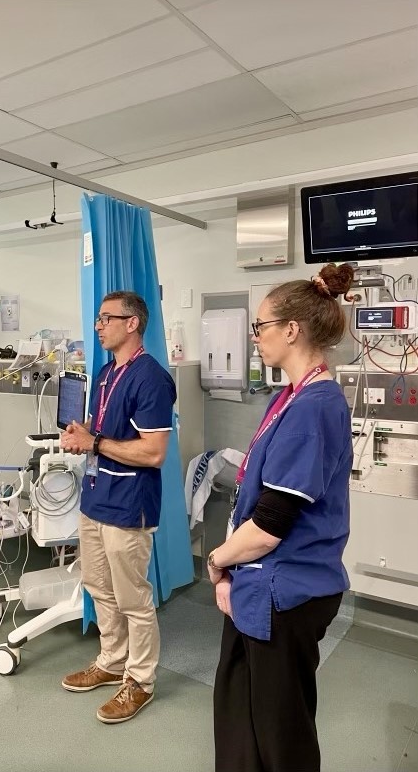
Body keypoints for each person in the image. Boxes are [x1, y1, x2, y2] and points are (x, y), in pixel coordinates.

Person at [208, 263, 355, 772]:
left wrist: (217, 559)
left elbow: (272, 523)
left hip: (286, 590)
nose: (256, 338)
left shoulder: (315, 406)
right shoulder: (288, 397)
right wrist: (232, 565)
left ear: (291, 330)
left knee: (279, 729)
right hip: (259, 583)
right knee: (240, 710)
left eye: (261, 326)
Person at [60, 290, 176, 724]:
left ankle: (140, 681)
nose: (98, 325)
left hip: (129, 505)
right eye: (97, 318)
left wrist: (94, 442)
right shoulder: (107, 374)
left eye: (106, 318)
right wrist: (84, 433)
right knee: (98, 587)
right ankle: (111, 661)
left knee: (133, 598)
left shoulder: (152, 379)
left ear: (132, 323)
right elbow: (107, 434)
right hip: (95, 497)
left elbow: (153, 453)